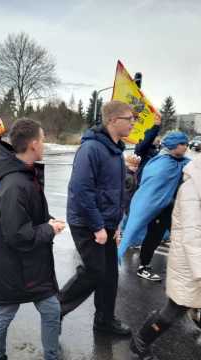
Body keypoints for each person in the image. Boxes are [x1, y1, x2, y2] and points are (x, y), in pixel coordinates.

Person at [0, 118, 65, 360]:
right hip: (13, 267)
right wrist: (49, 230)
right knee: (4, 315)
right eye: (42, 140)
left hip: (32, 265)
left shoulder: (26, 175)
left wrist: (49, 221)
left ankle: (52, 355)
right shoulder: (15, 184)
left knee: (51, 310)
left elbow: (30, 215)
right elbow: (18, 235)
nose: (44, 145)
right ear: (32, 144)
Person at [59, 101, 134, 336]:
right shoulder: (91, 149)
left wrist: (116, 225)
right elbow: (82, 191)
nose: (133, 123)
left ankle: (104, 321)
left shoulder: (115, 149)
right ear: (113, 120)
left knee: (110, 275)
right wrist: (98, 226)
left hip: (108, 223)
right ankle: (55, 310)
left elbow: (114, 191)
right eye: (129, 118)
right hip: (87, 222)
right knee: (94, 271)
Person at [130, 155, 201, 360]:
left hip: (194, 259)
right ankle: (140, 342)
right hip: (190, 262)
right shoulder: (192, 188)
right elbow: (192, 233)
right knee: (174, 309)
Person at [119, 132, 190, 281]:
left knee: (182, 239)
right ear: (173, 145)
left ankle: (184, 271)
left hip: (175, 209)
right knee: (153, 237)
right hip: (159, 208)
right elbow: (150, 188)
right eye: (182, 143)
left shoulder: (184, 162)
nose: (186, 146)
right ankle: (143, 267)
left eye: (186, 143)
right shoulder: (161, 163)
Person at [135, 114, 161, 181]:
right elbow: (147, 140)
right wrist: (156, 126)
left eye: (158, 136)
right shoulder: (141, 148)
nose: (158, 139)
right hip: (142, 180)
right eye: (155, 137)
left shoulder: (158, 149)